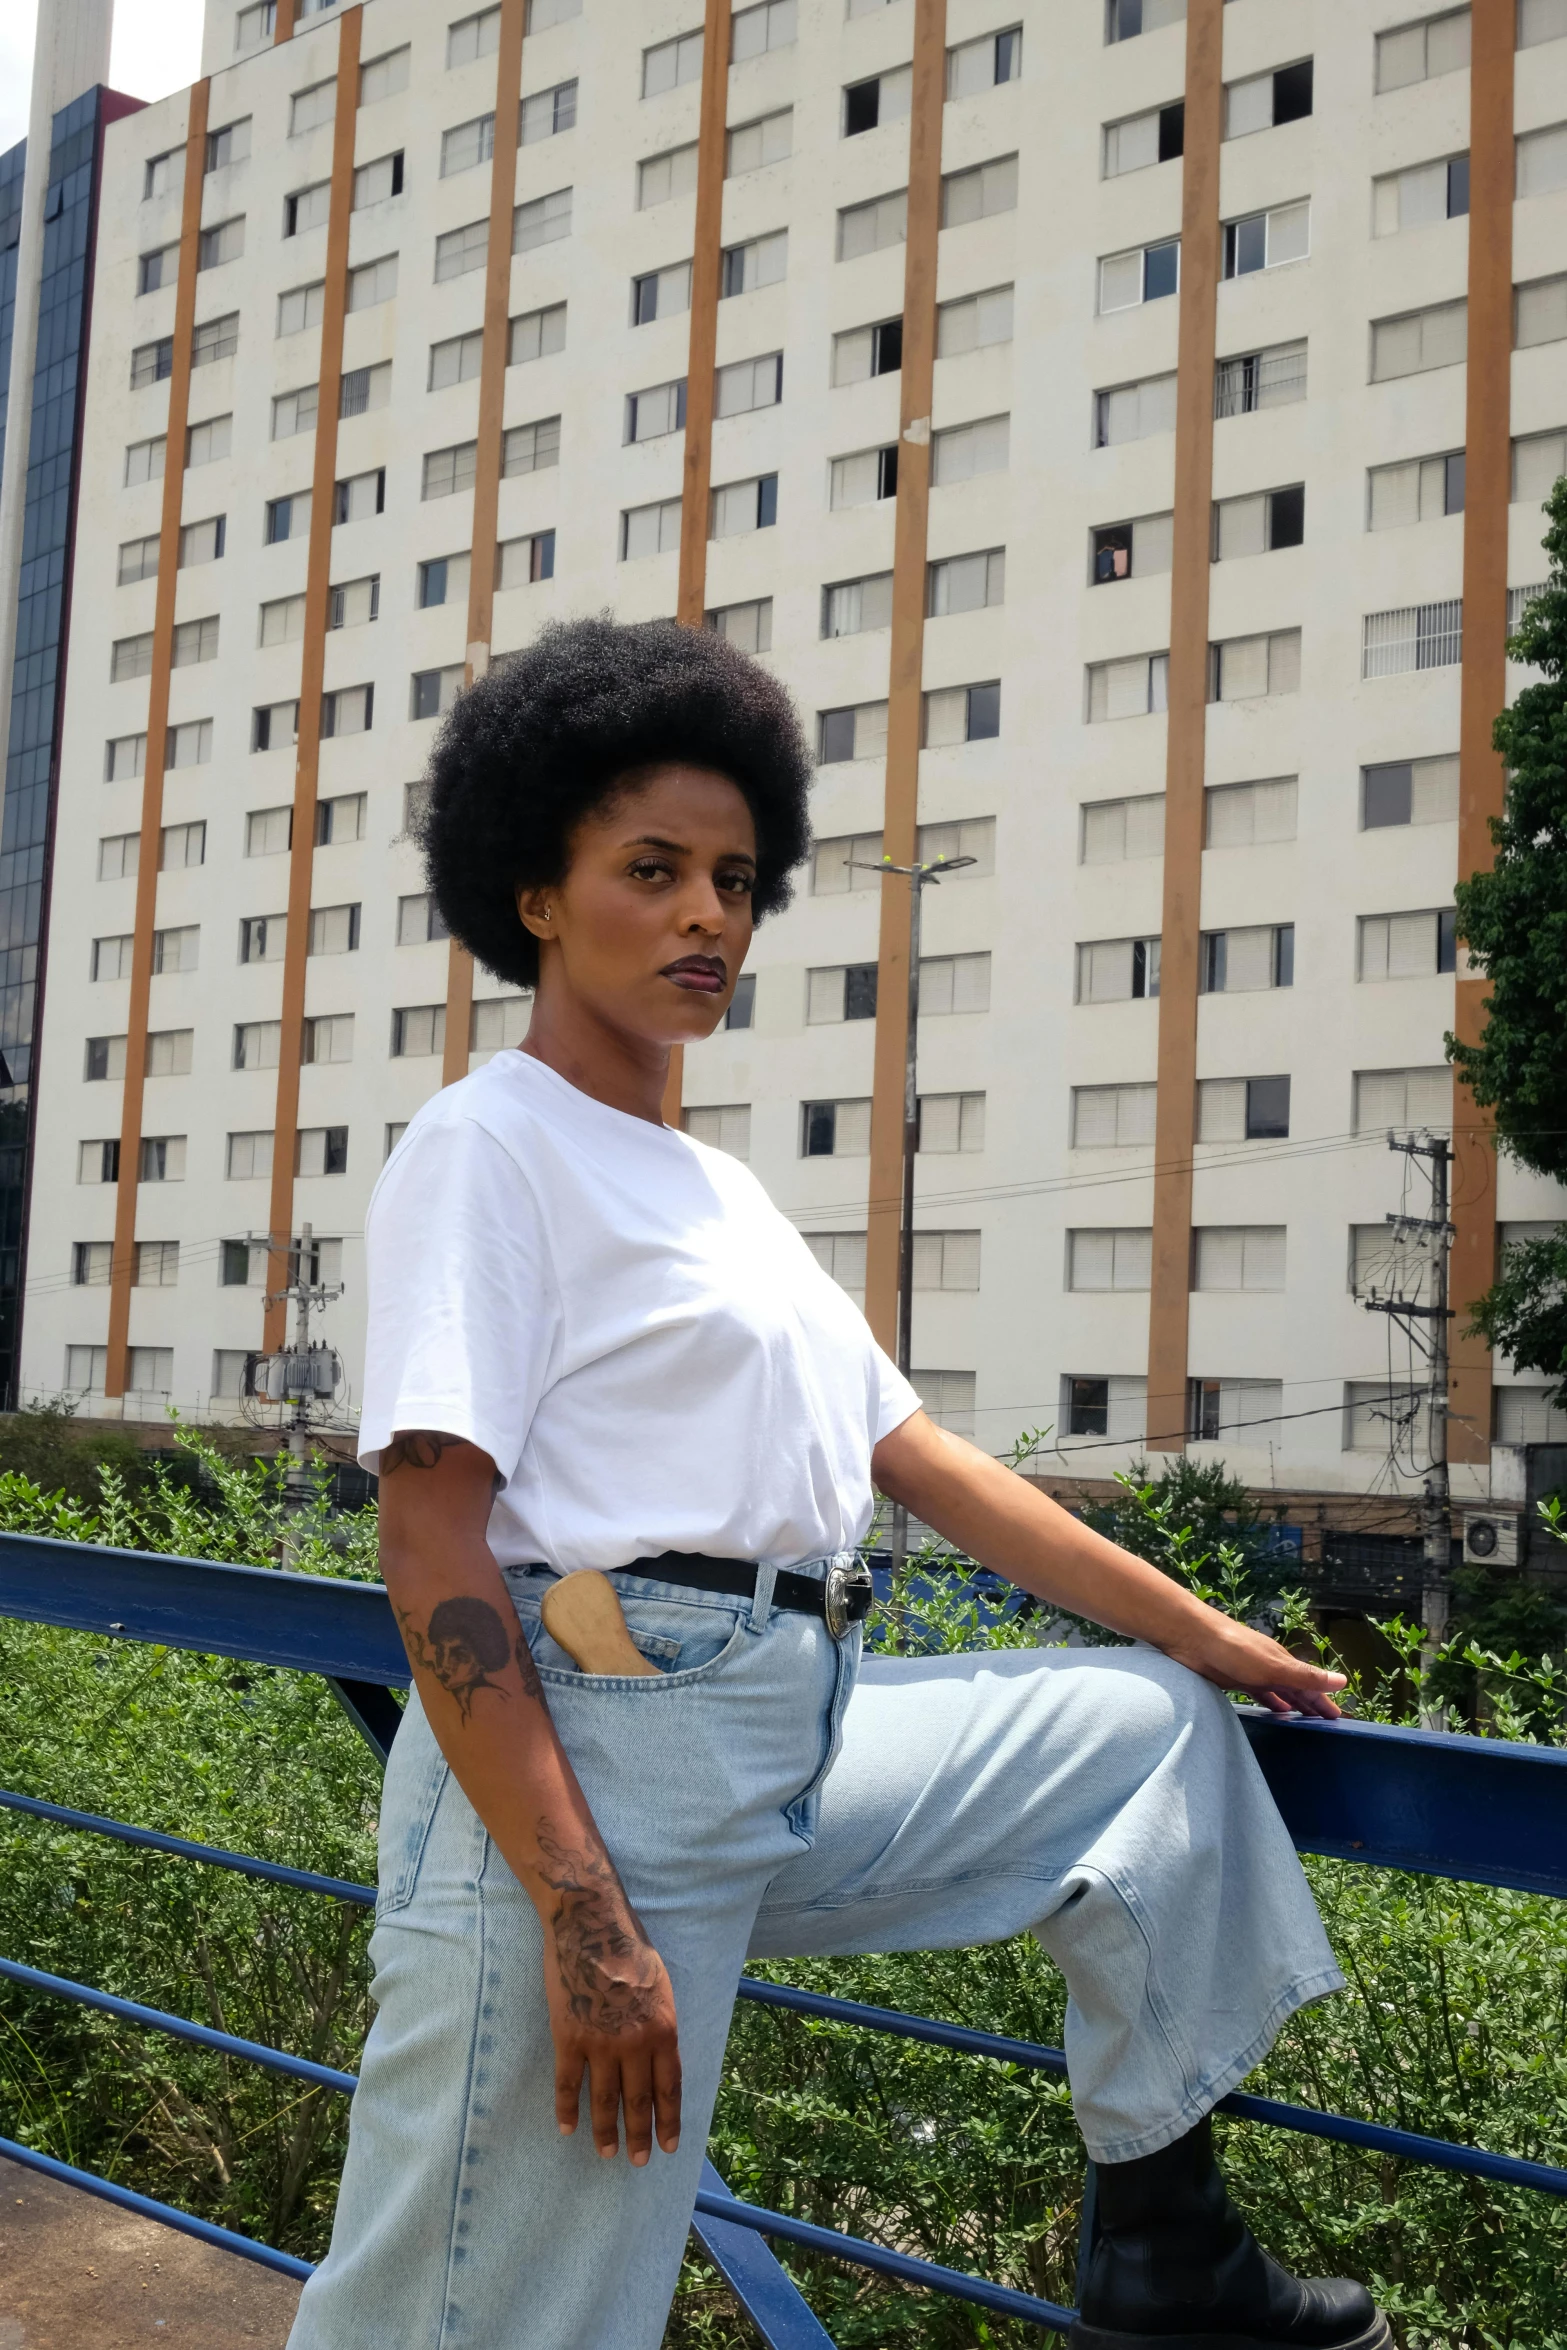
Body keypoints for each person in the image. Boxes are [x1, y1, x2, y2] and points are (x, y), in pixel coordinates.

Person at [287, 617, 1387, 2350]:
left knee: (1140, 1737)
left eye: (734, 877)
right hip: (597, 1751)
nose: (709, 915)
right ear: (536, 895)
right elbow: (429, 1530)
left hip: (789, 1725)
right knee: (502, 2313)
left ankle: (1162, 2241)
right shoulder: (486, 1144)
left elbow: (926, 1464)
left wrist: (1211, 1634)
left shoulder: (715, 1194)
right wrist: (584, 1917)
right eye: (651, 869)